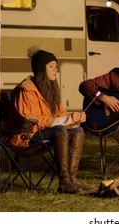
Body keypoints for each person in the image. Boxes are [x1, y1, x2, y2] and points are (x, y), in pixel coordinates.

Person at [5, 47, 94, 194]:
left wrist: (74, 118)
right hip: (24, 135)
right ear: (41, 69)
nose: (55, 70)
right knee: (60, 130)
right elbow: (31, 120)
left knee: (78, 130)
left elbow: (61, 114)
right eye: (51, 67)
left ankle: (72, 180)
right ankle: (64, 182)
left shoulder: (49, 90)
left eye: (56, 67)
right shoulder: (26, 90)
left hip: (43, 133)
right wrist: (65, 120)